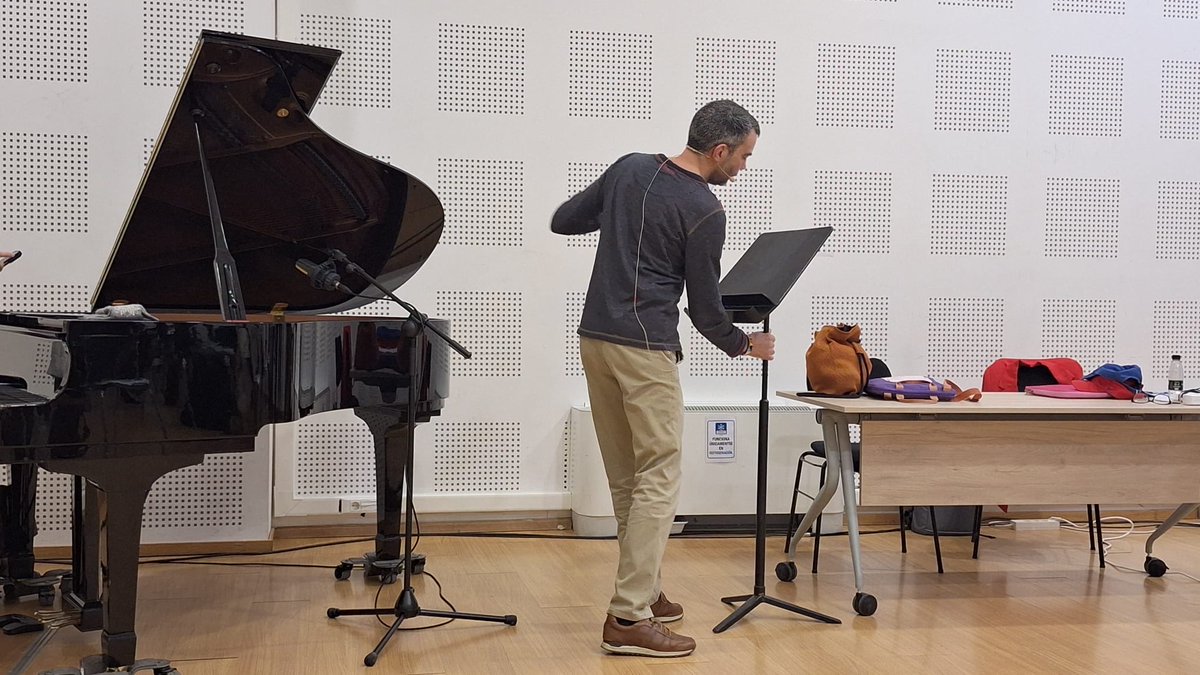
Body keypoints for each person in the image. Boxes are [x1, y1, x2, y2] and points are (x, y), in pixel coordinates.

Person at [551, 100, 774, 658]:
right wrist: (745, 344)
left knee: (629, 476)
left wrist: (624, 216)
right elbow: (705, 309)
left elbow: (563, 220)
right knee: (658, 475)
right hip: (646, 347)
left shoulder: (630, 167)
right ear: (720, 151)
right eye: (744, 157)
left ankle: (644, 589)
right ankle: (627, 619)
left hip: (596, 339)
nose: (742, 168)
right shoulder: (704, 208)